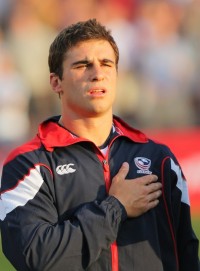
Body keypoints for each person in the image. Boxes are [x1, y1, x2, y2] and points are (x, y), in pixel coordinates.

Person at [0, 19, 199, 271]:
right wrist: (116, 208)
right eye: (82, 65)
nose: (97, 73)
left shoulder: (160, 159)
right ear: (55, 82)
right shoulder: (28, 164)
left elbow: (187, 257)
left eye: (106, 63)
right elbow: (35, 256)